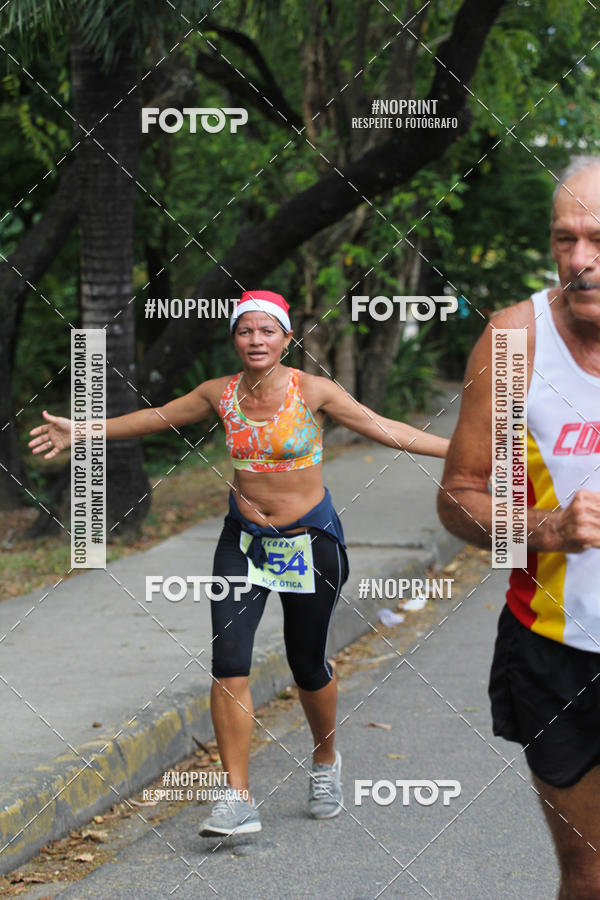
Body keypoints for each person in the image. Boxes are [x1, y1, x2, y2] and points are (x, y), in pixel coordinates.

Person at [29, 289, 448, 838]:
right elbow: (153, 418)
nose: (256, 340)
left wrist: (464, 451)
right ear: (235, 339)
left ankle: (325, 762)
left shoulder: (314, 391)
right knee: (229, 662)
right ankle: (236, 798)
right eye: (246, 331)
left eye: (267, 331)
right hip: (244, 542)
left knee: (307, 663)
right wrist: (80, 430)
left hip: (311, 542)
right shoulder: (217, 393)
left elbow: (386, 428)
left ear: (286, 339)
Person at [437, 157, 600, 899]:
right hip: (555, 649)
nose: (580, 261)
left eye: (597, 239)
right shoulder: (513, 342)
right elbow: (459, 498)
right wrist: (548, 529)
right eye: (563, 240)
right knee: (590, 876)